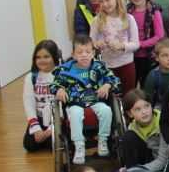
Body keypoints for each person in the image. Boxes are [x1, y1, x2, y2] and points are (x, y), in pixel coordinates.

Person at [51, 34, 121, 165]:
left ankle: (103, 140)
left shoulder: (99, 67)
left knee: (106, 110)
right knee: (75, 113)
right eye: (80, 52)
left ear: (93, 53)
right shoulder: (66, 69)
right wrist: (59, 89)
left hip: (96, 100)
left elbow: (114, 79)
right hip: (75, 102)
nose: (84, 55)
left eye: (87, 52)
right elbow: (54, 84)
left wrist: (107, 85)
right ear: (73, 54)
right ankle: (79, 146)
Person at [91, 0, 139, 94]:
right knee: (110, 97)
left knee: (128, 96)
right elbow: (91, 43)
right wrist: (97, 44)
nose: (105, 4)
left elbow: (136, 44)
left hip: (126, 64)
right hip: (107, 67)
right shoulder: (96, 20)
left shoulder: (129, 18)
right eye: (101, 1)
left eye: (108, 0)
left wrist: (122, 46)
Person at [23, 40, 61, 152]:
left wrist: (50, 130)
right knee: (29, 145)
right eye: (38, 57)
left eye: (46, 57)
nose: (42, 60)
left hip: (57, 118)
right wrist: (36, 129)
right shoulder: (31, 77)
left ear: (54, 57)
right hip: (39, 118)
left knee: (54, 144)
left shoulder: (62, 75)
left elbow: (64, 106)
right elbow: (28, 104)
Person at [120, 88, 169, 171]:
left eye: (147, 106)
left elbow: (163, 160)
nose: (144, 112)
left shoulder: (163, 122)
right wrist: (130, 169)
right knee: (128, 137)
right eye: (138, 109)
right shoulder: (133, 128)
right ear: (130, 114)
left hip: (165, 162)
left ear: (151, 106)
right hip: (148, 162)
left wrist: (138, 171)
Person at [127, 0, 165, 88]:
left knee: (147, 86)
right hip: (130, 55)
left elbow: (159, 35)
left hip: (149, 56)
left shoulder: (154, 10)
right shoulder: (127, 11)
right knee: (131, 86)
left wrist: (140, 44)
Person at [143, 39, 169, 107]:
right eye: (165, 55)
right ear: (157, 58)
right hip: (160, 108)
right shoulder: (153, 76)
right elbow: (148, 101)